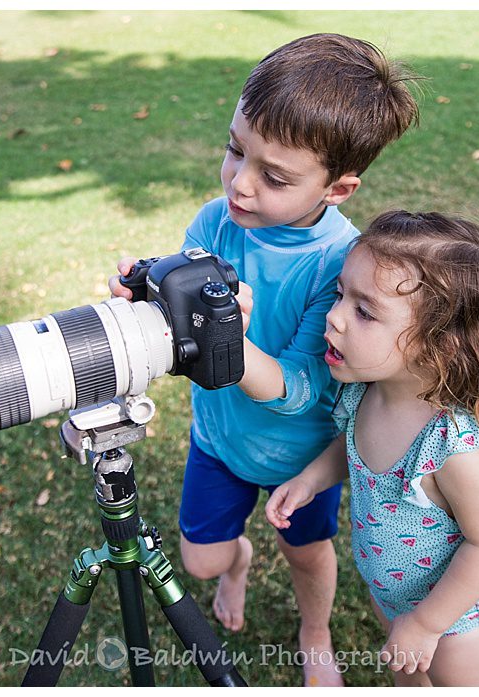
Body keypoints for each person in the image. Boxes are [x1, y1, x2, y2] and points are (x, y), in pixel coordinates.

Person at [107, 33, 421, 685]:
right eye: (234, 149)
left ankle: (315, 632)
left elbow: (305, 386)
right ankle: (238, 563)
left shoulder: (342, 264)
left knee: (306, 552)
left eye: (274, 176)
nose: (240, 184)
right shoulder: (214, 222)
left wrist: (232, 345)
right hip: (220, 439)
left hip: (300, 457)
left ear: (338, 187)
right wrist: (145, 299)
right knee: (199, 561)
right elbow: (177, 325)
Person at [267, 211, 479, 686]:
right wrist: (309, 480)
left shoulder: (455, 446)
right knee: (408, 682)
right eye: (340, 295)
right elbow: (350, 448)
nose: (333, 317)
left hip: (458, 625)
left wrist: (427, 624)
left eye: (364, 311)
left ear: (440, 347)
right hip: (392, 597)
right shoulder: (365, 392)